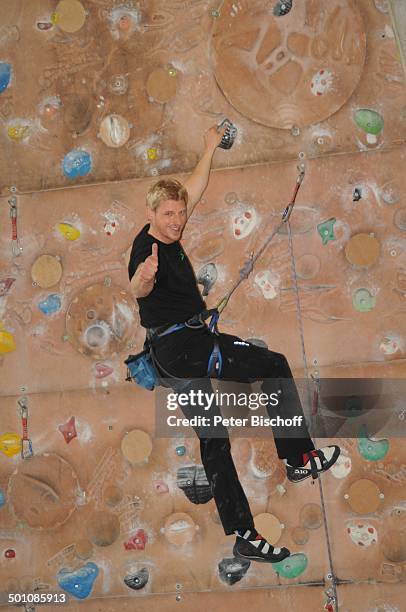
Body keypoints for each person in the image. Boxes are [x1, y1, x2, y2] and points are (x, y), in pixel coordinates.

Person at [128, 124, 340, 564]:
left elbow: (192, 189)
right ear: (151, 213)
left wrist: (208, 146)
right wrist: (143, 280)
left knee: (214, 440)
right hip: (182, 349)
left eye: (179, 214)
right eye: (168, 214)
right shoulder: (146, 247)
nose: (176, 220)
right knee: (274, 364)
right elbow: (139, 288)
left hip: (176, 355)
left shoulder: (171, 232)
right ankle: (299, 455)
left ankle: (244, 535)